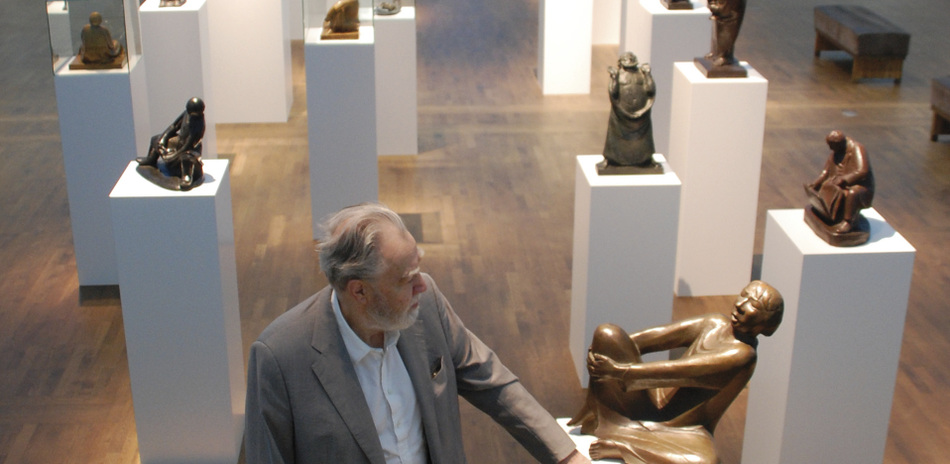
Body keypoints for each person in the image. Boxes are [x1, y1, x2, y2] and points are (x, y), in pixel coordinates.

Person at [245, 203, 590, 464]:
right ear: (359, 291)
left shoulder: (424, 304)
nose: (422, 285)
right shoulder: (279, 357)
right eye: (405, 279)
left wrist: (566, 455)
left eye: (418, 268)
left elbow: (491, 380)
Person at [569, 280, 784, 436]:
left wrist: (619, 371)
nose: (740, 305)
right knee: (607, 334)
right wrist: (608, 348)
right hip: (651, 397)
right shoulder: (715, 322)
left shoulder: (743, 355)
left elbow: (678, 372)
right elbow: (656, 337)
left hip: (671, 421)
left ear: (766, 324)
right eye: (743, 295)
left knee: (703, 460)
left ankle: (616, 430)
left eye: (753, 305)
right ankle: (603, 416)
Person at [804, 130, 874, 242]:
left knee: (851, 194)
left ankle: (848, 222)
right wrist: (816, 183)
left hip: (859, 186)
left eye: (832, 146)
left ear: (840, 143)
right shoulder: (837, 150)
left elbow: (862, 171)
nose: (831, 150)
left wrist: (844, 179)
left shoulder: (857, 148)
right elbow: (826, 172)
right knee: (827, 186)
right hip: (840, 183)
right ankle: (829, 214)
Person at [136, 96, 206, 190]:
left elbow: (188, 145)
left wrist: (172, 157)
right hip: (180, 142)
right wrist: (163, 140)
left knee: (186, 157)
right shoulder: (187, 114)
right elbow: (174, 126)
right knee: (155, 139)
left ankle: (186, 177)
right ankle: (151, 159)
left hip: (191, 149)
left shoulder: (199, 124)